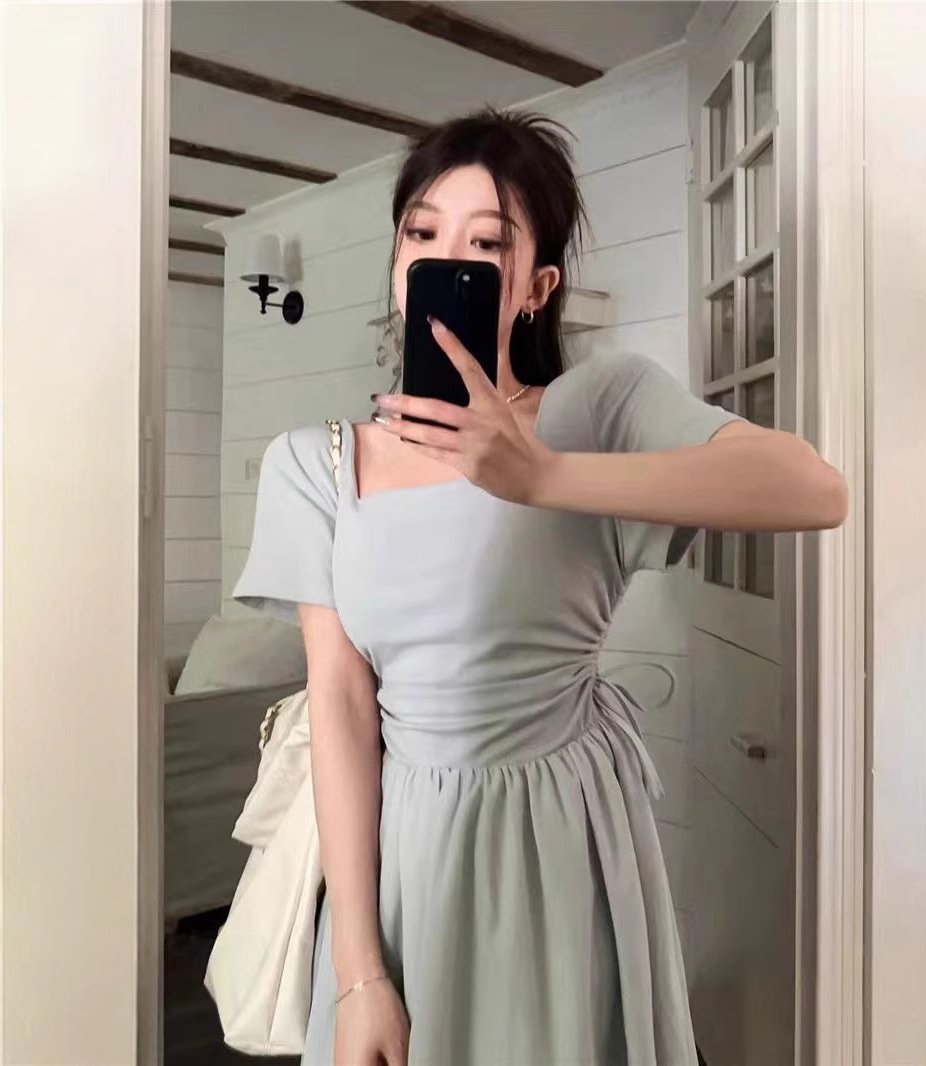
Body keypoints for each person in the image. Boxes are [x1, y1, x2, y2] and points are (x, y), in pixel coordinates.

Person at [232, 107, 848, 1066]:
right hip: (409, 850)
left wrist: (542, 476)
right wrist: (358, 972)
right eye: (421, 233)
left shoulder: (602, 404)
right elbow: (342, 704)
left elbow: (813, 489)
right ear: (395, 261)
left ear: (534, 287)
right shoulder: (311, 463)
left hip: (569, 831)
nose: (445, 259)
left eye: (486, 244)